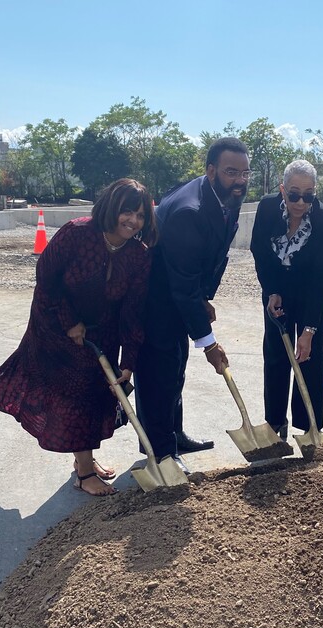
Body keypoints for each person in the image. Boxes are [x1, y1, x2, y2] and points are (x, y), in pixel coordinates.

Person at [0, 179, 157, 495]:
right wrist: (69, 322)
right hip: (55, 323)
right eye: (127, 212)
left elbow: (133, 311)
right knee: (75, 394)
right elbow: (46, 280)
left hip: (102, 330)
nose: (133, 221)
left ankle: (84, 461)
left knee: (97, 392)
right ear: (112, 209)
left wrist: (128, 361)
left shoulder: (138, 255)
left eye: (141, 216)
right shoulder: (77, 233)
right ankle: (85, 473)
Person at [134, 137, 250, 472]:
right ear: (211, 170)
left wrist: (203, 298)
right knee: (160, 372)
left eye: (245, 173)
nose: (240, 180)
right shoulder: (190, 211)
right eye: (232, 172)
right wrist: (209, 342)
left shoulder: (226, 195)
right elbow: (180, 286)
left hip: (179, 291)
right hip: (156, 300)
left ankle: (173, 434)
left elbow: (212, 256)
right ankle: (161, 454)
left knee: (175, 368)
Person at [250, 159, 323, 438]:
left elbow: (322, 277)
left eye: (308, 195)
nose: (301, 202)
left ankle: (309, 425)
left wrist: (310, 329)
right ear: (282, 189)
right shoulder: (266, 209)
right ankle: (275, 422)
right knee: (276, 356)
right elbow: (260, 252)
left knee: (309, 357)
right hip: (277, 291)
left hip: (311, 292)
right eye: (294, 194)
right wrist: (272, 289)